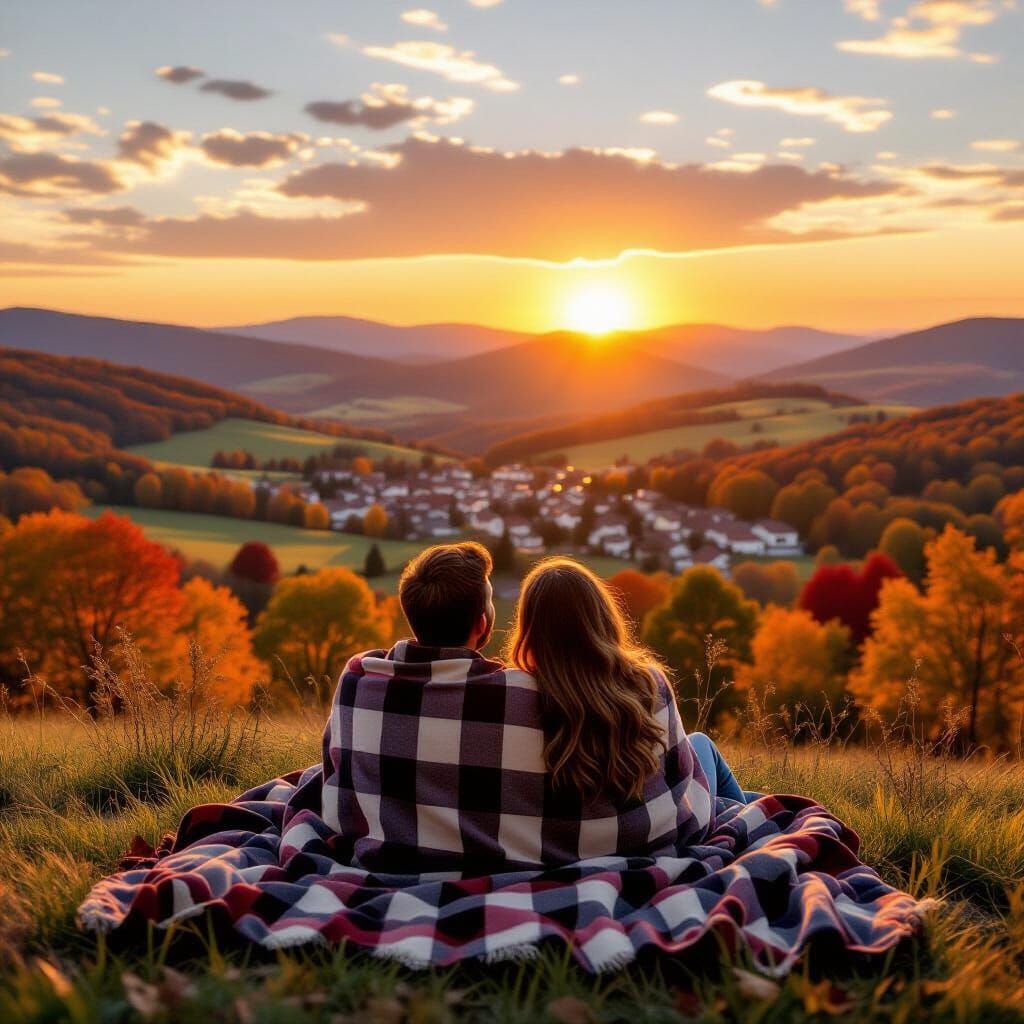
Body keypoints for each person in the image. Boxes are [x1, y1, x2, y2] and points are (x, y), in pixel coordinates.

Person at [318, 542, 714, 874]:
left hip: (404, 860)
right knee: (703, 748)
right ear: (484, 622)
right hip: (626, 847)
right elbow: (688, 804)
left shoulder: (359, 680)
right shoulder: (533, 695)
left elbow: (336, 777)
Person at [505, 556, 751, 808]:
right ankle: (745, 823)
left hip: (561, 836)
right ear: (603, 619)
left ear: (528, 630)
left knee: (711, 757)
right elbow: (680, 781)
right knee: (701, 743)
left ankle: (749, 810)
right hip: (647, 833)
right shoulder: (646, 683)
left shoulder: (508, 693)